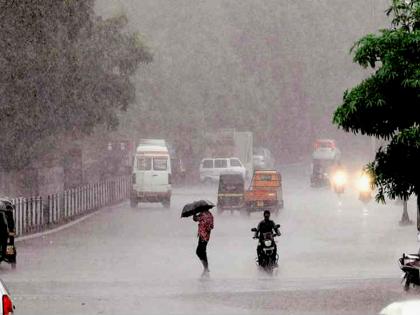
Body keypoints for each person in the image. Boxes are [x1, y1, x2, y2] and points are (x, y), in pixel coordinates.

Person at [193, 208, 214, 276]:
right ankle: (206, 267)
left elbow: (195, 219)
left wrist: (194, 214)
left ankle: (206, 267)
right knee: (202, 251)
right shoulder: (209, 214)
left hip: (203, 236)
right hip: (205, 236)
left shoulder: (203, 215)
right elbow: (211, 226)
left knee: (199, 251)